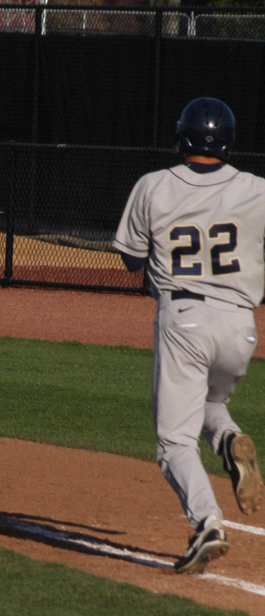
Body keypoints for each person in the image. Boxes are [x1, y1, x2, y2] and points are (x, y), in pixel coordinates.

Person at [113, 96, 265, 574]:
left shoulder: (153, 185)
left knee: (173, 440)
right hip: (242, 323)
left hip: (185, 318)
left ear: (181, 137)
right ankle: (230, 441)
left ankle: (207, 523)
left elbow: (132, 260)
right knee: (208, 404)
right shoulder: (259, 189)